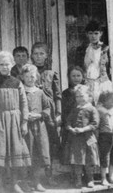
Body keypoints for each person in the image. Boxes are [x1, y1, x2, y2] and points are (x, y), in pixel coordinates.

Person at [0, 51, 31, 193]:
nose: (5, 67)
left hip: (14, 121)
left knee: (15, 151)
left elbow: (24, 103)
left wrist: (24, 122)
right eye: (2, 64)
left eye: (7, 64)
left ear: (12, 65)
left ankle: (14, 183)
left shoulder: (17, 82)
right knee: (0, 151)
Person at [31, 42, 60, 184]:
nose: (38, 57)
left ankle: (50, 175)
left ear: (46, 55)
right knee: (37, 144)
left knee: (51, 143)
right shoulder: (29, 72)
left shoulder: (51, 74)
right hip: (36, 111)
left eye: (41, 53)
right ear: (31, 55)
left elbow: (58, 95)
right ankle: (36, 177)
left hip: (50, 113)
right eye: (35, 54)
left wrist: (59, 113)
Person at [63, 85, 99, 188]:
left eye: (82, 96)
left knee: (89, 160)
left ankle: (90, 179)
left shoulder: (92, 109)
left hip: (88, 138)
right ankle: (78, 179)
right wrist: (70, 128)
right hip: (76, 139)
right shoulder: (75, 109)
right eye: (77, 96)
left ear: (89, 96)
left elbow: (95, 123)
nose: (79, 98)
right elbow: (68, 122)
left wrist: (83, 129)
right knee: (77, 160)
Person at [22, 64, 50, 192]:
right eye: (27, 76)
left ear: (36, 77)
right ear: (22, 77)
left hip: (39, 127)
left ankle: (37, 182)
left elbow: (48, 108)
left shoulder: (40, 92)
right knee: (27, 154)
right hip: (26, 128)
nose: (30, 79)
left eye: (32, 76)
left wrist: (39, 115)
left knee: (38, 153)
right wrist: (25, 116)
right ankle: (25, 182)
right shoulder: (21, 91)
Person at [97, 90, 113, 186]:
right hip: (105, 135)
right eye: (112, 100)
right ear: (104, 101)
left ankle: (111, 177)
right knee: (105, 157)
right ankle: (103, 178)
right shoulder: (100, 110)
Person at [61, 66, 86, 151]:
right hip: (70, 126)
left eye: (78, 75)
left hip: (84, 125)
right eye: (73, 76)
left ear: (83, 77)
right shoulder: (65, 93)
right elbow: (64, 113)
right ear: (69, 77)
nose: (76, 78)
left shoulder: (87, 92)